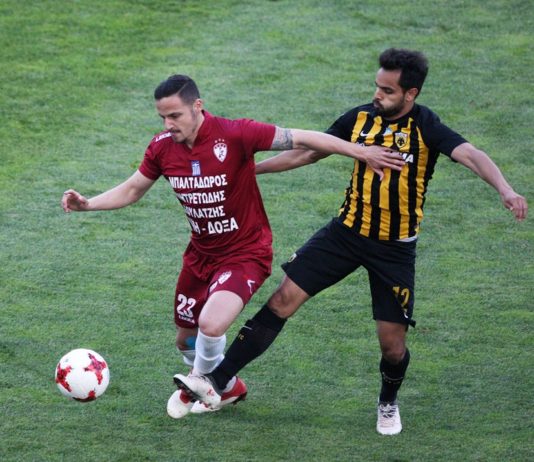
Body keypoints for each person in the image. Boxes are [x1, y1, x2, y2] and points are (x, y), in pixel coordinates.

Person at [173, 49, 528, 434]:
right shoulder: (359, 118)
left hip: (394, 249)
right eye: (377, 86)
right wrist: (249, 171)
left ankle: (388, 402)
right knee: (282, 300)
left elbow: (471, 154)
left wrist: (506, 189)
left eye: (388, 91)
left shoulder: (426, 126)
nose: (378, 95)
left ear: (410, 94)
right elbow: (307, 154)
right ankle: (216, 381)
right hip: (343, 235)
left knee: (392, 346)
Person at [61, 74, 400, 419]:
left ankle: (202, 382)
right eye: (162, 117)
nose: (168, 124)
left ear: (197, 106)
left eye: (175, 115)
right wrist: (88, 204)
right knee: (186, 340)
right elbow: (133, 189)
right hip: (200, 256)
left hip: (246, 253)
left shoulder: (236, 133)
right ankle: (229, 388)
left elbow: (301, 137)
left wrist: (361, 152)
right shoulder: (162, 147)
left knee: (211, 324)